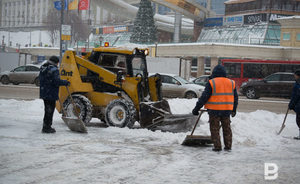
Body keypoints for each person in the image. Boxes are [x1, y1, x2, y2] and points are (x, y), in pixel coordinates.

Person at [192, 65, 238, 151]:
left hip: (214, 111)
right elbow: (235, 98)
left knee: (215, 129)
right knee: (227, 129)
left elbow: (204, 97)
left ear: (214, 73)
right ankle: (228, 146)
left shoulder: (212, 82)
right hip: (227, 111)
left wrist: (196, 108)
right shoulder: (231, 83)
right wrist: (234, 109)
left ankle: (217, 147)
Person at [39, 56, 70, 133]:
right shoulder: (54, 69)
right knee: (49, 111)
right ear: (56, 62)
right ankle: (47, 128)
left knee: (47, 110)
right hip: (51, 93)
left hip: (45, 92)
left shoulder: (43, 68)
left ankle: (46, 126)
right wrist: (66, 82)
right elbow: (56, 81)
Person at [288, 70, 300, 140]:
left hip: (299, 105)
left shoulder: (298, 84)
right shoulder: (297, 83)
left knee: (299, 121)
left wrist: (291, 105)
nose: (294, 76)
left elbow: (296, 96)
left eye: (295, 75)